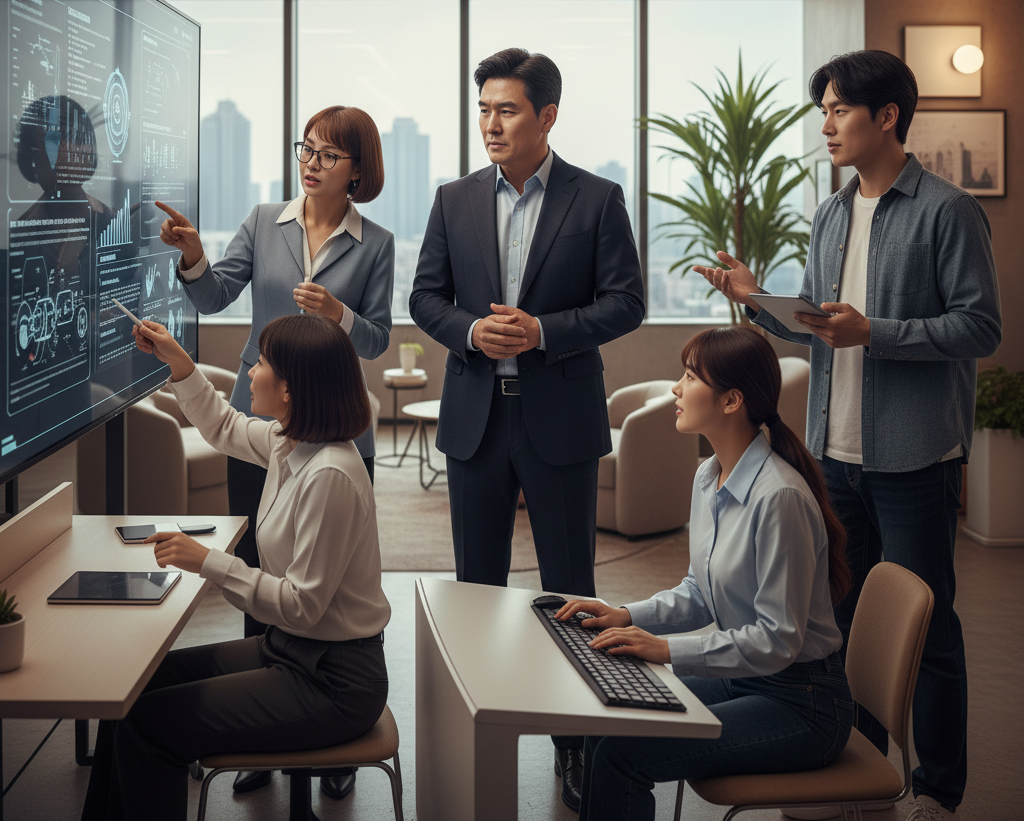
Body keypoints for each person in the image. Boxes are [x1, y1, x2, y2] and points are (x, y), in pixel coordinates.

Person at [694, 50, 1002, 821]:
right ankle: (852, 761)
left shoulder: (948, 211)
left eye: (838, 111)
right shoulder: (831, 213)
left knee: (928, 627)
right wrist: (756, 300)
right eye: (823, 112)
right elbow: (820, 327)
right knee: (839, 621)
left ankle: (939, 788)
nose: (826, 126)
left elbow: (981, 327)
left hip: (915, 455)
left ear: (887, 116)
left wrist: (878, 332)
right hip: (834, 454)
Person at [409, 47, 645, 810]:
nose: (490, 123)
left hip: (560, 418)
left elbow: (626, 302)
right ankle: (479, 738)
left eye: (506, 109)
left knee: (571, 589)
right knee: (477, 590)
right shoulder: (453, 199)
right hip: (476, 417)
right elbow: (425, 297)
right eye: (483, 109)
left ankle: (575, 746)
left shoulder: (598, 198)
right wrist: (470, 332)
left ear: (547, 116)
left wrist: (543, 331)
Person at [157, 105, 392, 798]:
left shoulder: (375, 242)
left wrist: (338, 315)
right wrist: (193, 256)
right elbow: (214, 295)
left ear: (357, 171)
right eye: (306, 148)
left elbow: (376, 338)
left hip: (330, 421)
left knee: (322, 568)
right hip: (270, 417)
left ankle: (325, 746)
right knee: (264, 554)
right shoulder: (265, 221)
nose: (311, 162)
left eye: (328, 154)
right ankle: (263, 727)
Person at [81, 313, 390, 821]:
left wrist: (209, 562)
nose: (250, 371)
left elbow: (302, 605)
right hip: (292, 651)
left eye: (262, 363)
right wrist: (178, 362)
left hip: (334, 681)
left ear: (289, 389)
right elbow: (223, 426)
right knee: (129, 690)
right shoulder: (290, 443)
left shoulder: (331, 475)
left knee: (150, 725)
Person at [556, 326, 853, 821]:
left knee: (623, 755)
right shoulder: (708, 474)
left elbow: (778, 639)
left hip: (804, 702)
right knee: (606, 717)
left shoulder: (779, 498)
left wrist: (666, 649)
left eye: (691, 377)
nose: (676, 387)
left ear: (731, 400)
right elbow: (700, 589)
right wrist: (626, 614)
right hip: (749, 678)